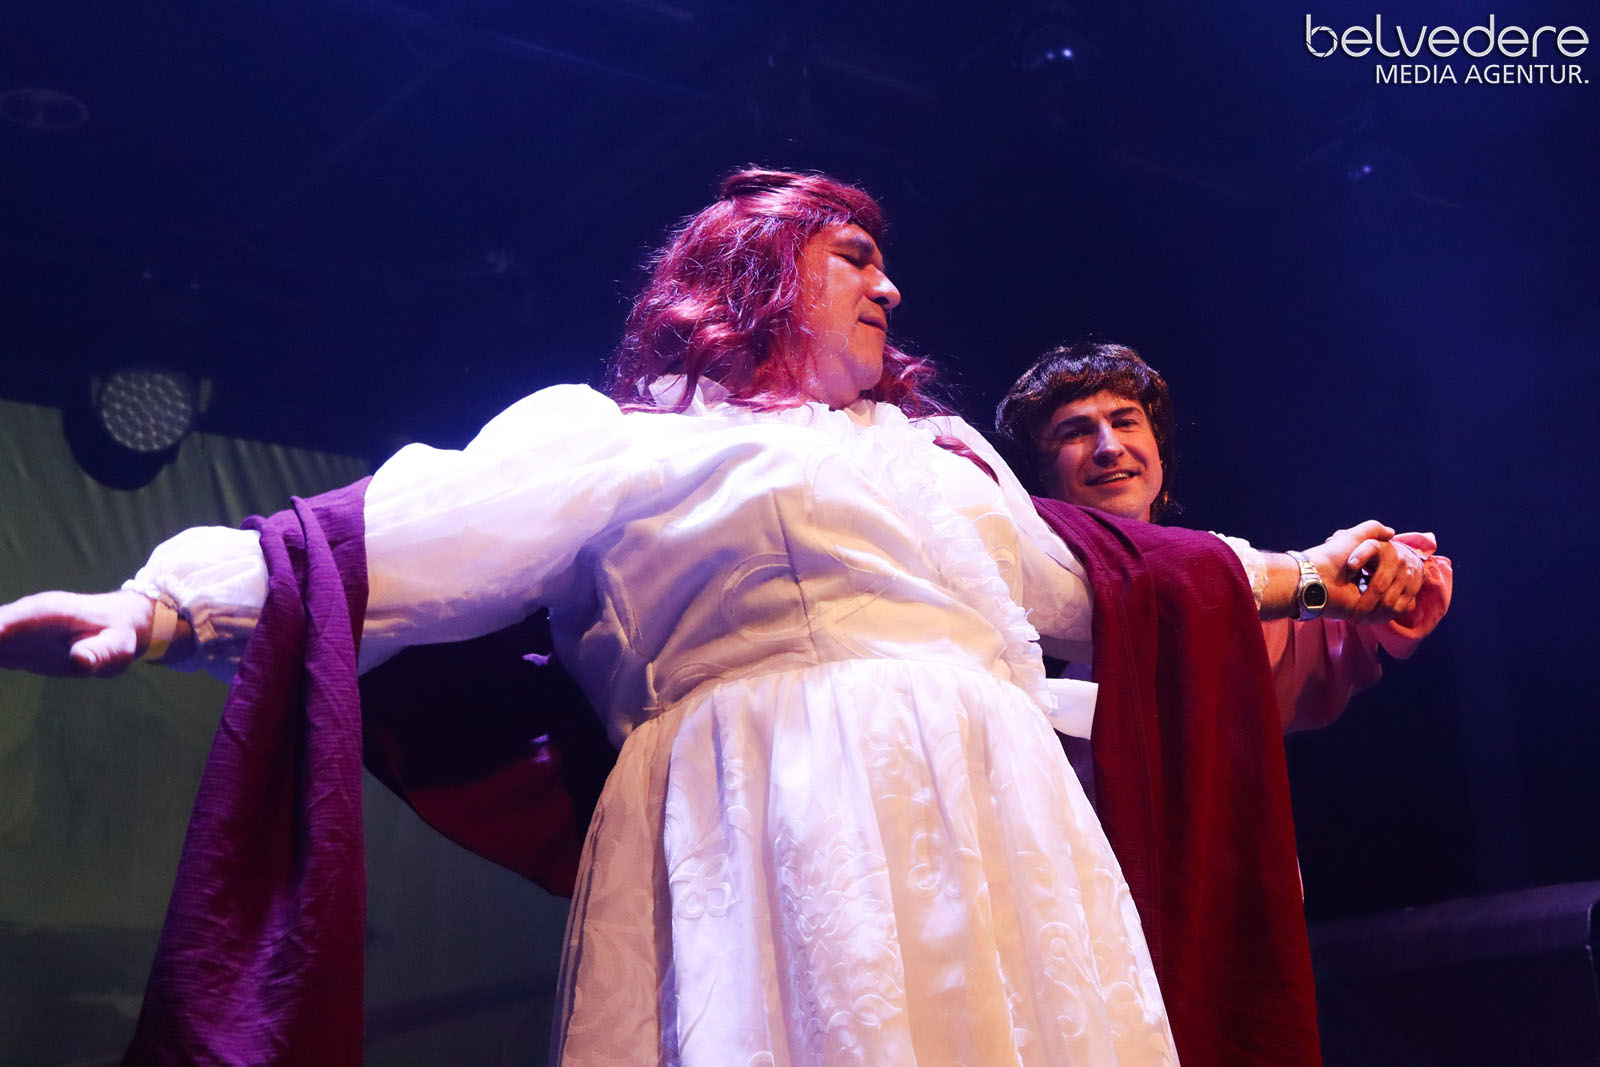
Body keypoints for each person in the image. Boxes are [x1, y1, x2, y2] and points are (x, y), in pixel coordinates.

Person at [0, 172, 1416, 1065]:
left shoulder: (943, 457)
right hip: (772, 797)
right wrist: (163, 601)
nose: (889, 285)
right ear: (758, 272)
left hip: (995, 807)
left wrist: (1308, 572)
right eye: (853, 255)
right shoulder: (631, 441)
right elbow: (406, 531)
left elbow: (1103, 576)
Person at [994, 340, 1452, 731]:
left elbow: (1389, 588)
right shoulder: (1005, 597)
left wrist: (1394, 564)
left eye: (1126, 421)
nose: (1109, 447)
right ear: (1038, 477)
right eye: (1076, 432)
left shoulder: (1245, 590)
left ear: (1159, 452)